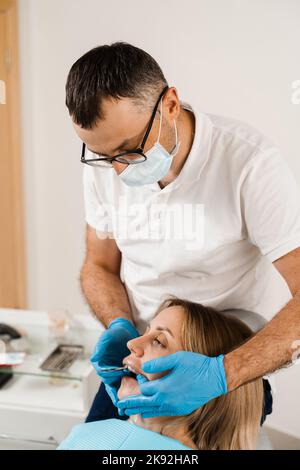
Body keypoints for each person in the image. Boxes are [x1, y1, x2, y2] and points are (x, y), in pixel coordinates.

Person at [65, 42, 300, 422]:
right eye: (105, 158)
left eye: (129, 150)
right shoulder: (103, 165)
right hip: (140, 357)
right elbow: (100, 265)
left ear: (170, 105)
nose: (119, 172)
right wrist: (119, 325)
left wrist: (223, 374)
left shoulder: (250, 166)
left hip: (220, 368)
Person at [58, 298, 263, 450]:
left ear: (198, 384)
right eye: (145, 332)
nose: (131, 343)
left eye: (158, 341)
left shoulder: (95, 440)